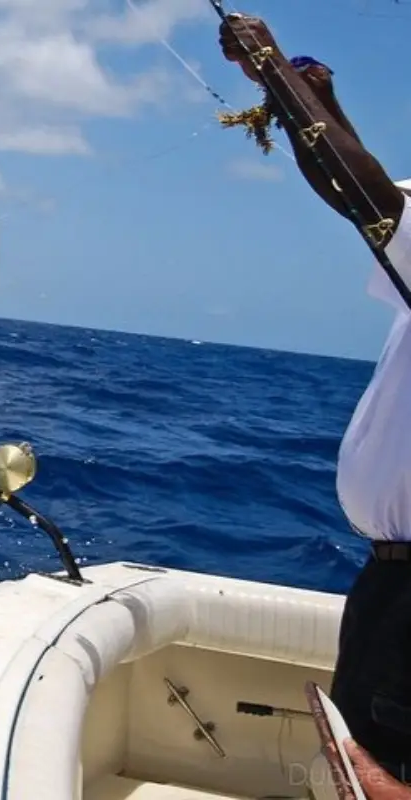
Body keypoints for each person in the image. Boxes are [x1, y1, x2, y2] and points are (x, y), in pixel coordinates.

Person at [218, 12, 411, 784]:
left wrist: (274, 73)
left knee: (374, 775)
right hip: (391, 586)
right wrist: (314, 100)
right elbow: (374, 207)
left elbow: (366, 201)